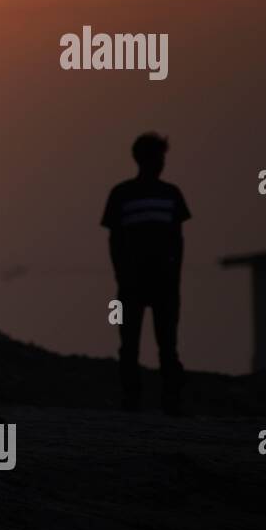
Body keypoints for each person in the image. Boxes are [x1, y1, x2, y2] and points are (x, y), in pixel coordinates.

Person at [101, 133, 191, 414]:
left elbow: (178, 241)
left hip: (162, 282)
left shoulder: (171, 194)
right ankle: (132, 400)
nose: (161, 163)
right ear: (145, 159)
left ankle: (171, 401)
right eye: (158, 157)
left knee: (167, 345)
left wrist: (175, 275)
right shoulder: (122, 194)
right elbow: (114, 241)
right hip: (133, 282)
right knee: (130, 345)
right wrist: (121, 274)